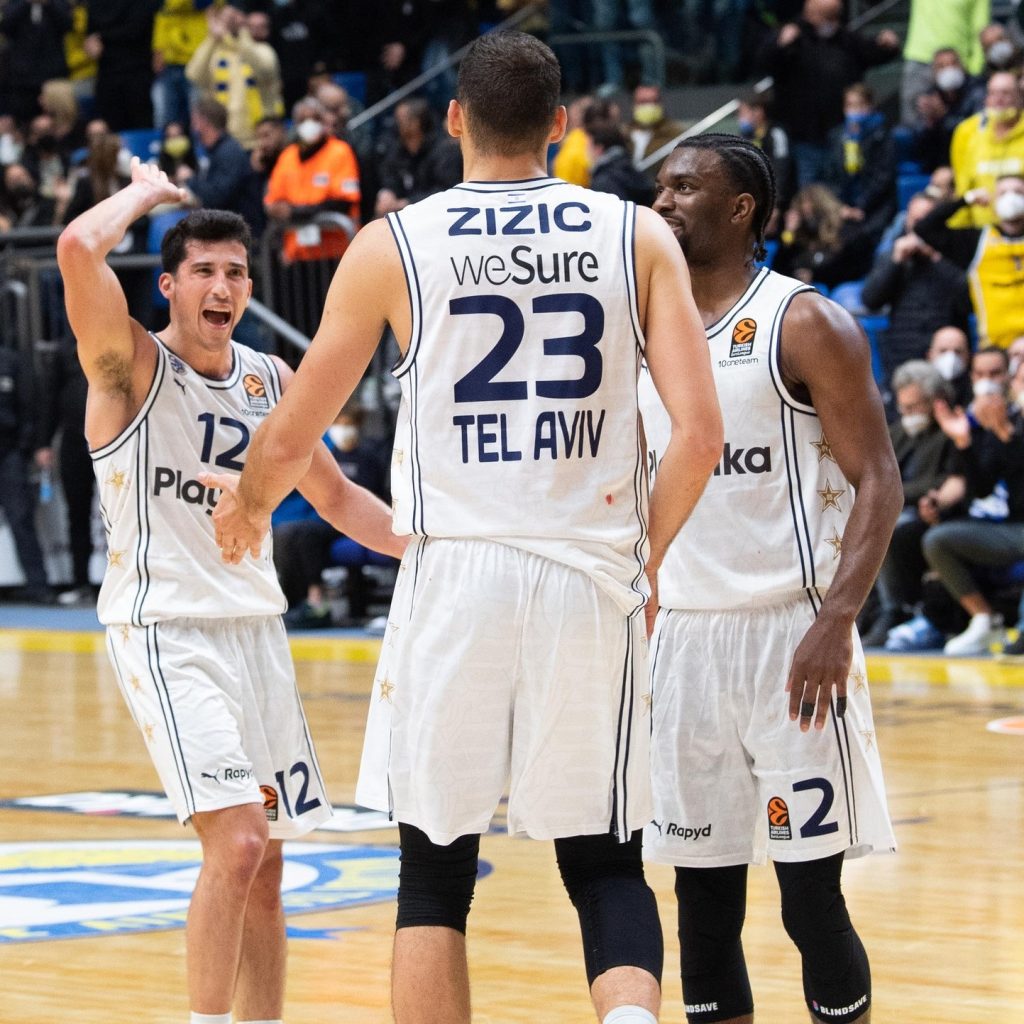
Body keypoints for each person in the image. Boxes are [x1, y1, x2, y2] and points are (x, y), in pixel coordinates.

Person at [210, 30, 723, 1024]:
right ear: (561, 126)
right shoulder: (636, 234)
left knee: (433, 873)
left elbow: (294, 428)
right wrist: (645, 562)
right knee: (608, 857)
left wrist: (244, 506)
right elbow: (698, 436)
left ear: (453, 118)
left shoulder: (394, 243)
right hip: (588, 575)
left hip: (454, 579)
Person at [56, 161, 404, 1024]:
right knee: (239, 840)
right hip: (168, 628)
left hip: (257, 631)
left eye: (236, 272)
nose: (223, 285)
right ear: (169, 285)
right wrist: (145, 192)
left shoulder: (268, 380)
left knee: (269, 863)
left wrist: (432, 547)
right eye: (203, 270)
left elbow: (337, 499)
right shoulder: (127, 369)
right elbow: (74, 247)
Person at [641, 134, 901, 1024]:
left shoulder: (802, 321)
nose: (664, 201)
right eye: (659, 186)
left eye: (685, 186)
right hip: (679, 646)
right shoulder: (641, 333)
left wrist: (838, 618)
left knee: (810, 903)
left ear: (742, 206)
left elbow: (880, 479)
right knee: (701, 912)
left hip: (791, 641)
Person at [926, 346, 1024, 654]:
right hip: (1012, 529)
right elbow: (981, 488)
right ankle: (984, 620)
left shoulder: (1007, 425)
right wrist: (964, 443)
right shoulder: (1003, 420)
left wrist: (1008, 436)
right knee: (938, 539)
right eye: (1021, 381)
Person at [861, 359, 965, 646]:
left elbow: (948, 479)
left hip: (931, 510)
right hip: (895, 505)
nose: (908, 414)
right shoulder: (898, 431)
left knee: (887, 528)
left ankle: (896, 609)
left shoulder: (950, 429)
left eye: (915, 406)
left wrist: (896, 491)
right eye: (904, 407)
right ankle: (872, 607)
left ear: (935, 400)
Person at [913, 174, 1024, 349]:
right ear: (994, 201)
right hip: (994, 348)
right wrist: (966, 200)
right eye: (1003, 193)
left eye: (1018, 192)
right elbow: (925, 228)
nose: (1011, 198)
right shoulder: (976, 240)